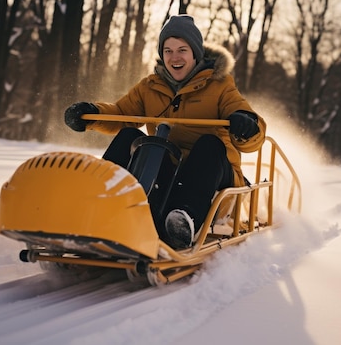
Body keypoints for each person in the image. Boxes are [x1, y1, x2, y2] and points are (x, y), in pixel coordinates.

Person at [64, 15, 266, 249]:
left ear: (195, 53)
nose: (174, 57)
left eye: (182, 49)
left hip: (212, 177)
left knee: (209, 143)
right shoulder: (150, 86)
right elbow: (121, 113)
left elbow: (244, 117)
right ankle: (100, 205)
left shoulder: (220, 85)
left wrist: (246, 124)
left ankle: (183, 220)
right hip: (169, 172)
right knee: (131, 137)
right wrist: (91, 113)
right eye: (168, 50)